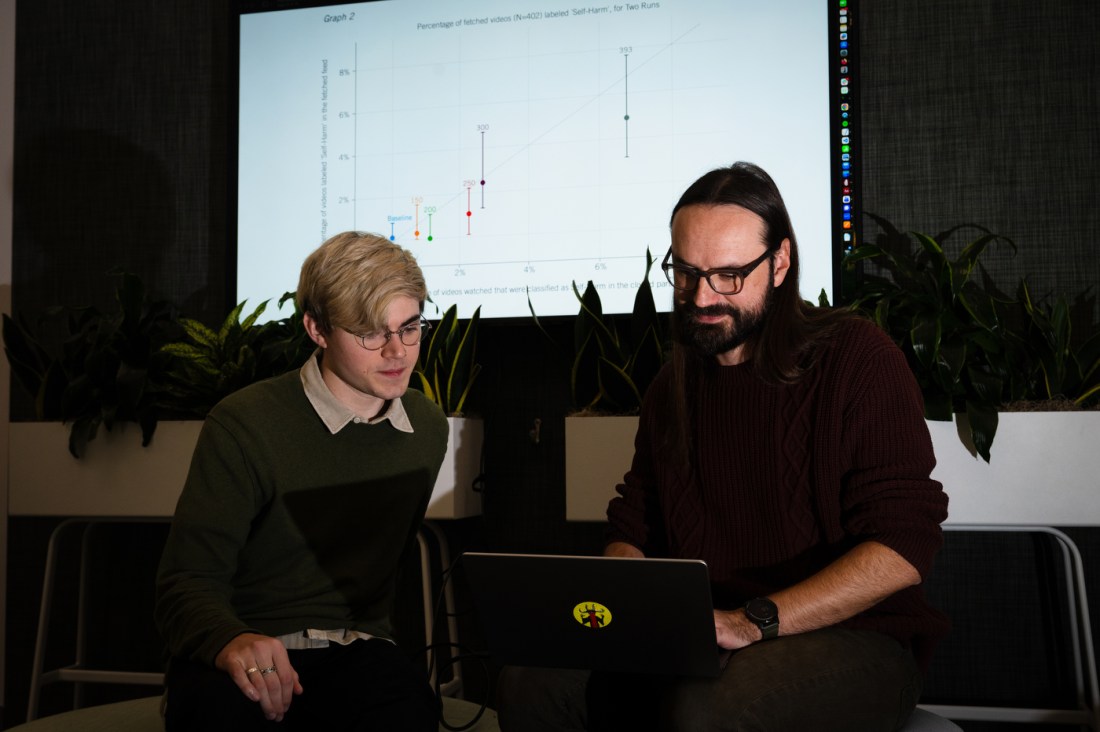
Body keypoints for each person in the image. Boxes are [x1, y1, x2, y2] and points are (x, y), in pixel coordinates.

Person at [497, 162, 950, 731]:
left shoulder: (857, 359)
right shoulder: (672, 388)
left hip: (856, 638)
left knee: (713, 709)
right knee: (533, 683)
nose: (703, 296)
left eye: (730, 275)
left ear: (779, 262)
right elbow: (634, 526)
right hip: (705, 632)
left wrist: (753, 620)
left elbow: (904, 546)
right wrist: (629, 607)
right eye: (685, 273)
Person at [155, 232, 450, 731]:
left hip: (358, 657)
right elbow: (185, 584)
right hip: (244, 648)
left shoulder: (427, 428)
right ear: (317, 329)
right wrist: (231, 641)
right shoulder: (245, 422)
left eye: (410, 326)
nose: (397, 351)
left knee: (406, 709)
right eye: (370, 334)